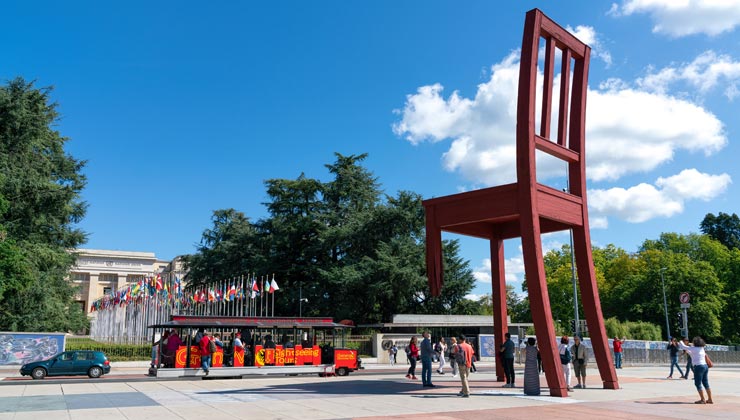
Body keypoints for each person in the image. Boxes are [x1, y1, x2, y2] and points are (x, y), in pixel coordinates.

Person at [676, 336, 713, 404]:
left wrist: (681, 341)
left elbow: (682, 346)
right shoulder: (701, 348)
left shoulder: (694, 348)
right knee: (705, 383)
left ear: (695, 343)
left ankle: (702, 399)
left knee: (697, 383)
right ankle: (710, 399)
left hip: (698, 367)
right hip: (705, 366)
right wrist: (688, 351)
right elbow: (693, 354)